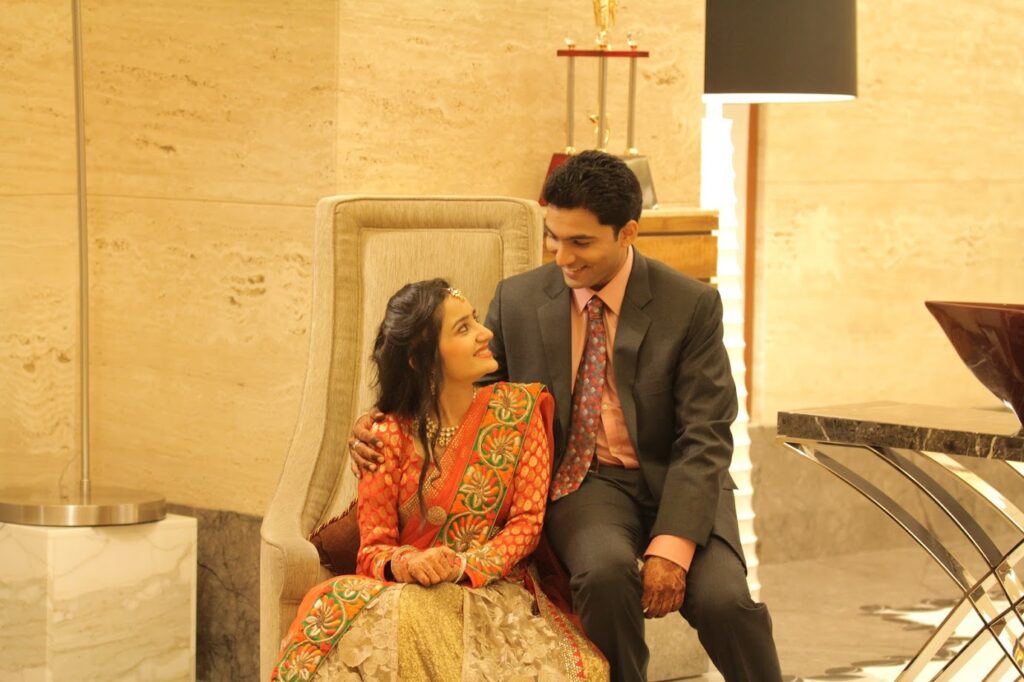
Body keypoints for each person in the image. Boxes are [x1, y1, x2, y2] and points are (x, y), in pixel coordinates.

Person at [352, 151, 782, 681]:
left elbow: (706, 435)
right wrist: (381, 417)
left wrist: (672, 549)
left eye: (581, 242)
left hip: (683, 481)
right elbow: (467, 390)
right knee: (604, 575)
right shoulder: (519, 299)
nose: (562, 257)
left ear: (627, 233)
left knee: (725, 602)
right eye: (554, 237)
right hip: (586, 484)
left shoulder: (690, 305)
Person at [272, 279, 607, 681]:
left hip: (492, 591)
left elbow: (526, 526)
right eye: (463, 329)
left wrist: (460, 566)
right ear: (421, 359)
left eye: (476, 321)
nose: (486, 335)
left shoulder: (519, 412)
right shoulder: (385, 436)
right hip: (406, 593)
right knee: (341, 607)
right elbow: (373, 549)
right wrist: (412, 563)